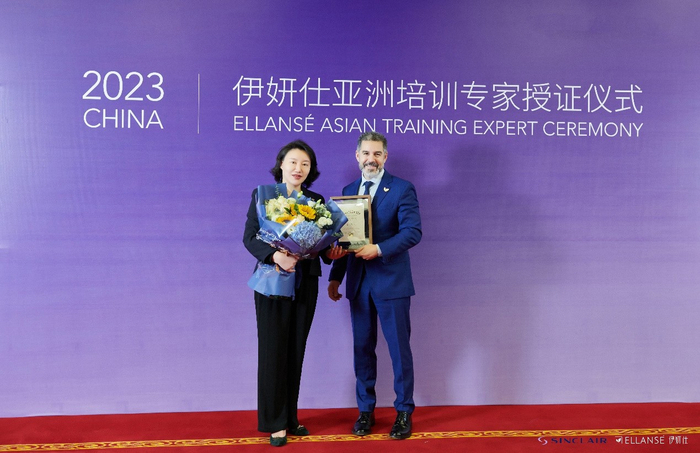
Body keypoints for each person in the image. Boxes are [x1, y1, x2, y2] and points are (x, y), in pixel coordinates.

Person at [243, 139, 345, 447]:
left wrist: (331, 254)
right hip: (273, 282)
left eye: (305, 164)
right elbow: (250, 237)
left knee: (295, 350)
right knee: (273, 351)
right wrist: (276, 255)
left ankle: (290, 417)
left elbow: (320, 245)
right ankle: (274, 423)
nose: (299, 168)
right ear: (281, 165)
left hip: (305, 283)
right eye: (293, 162)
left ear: (311, 170)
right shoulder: (264, 196)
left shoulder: (315, 201)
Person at [328, 131, 422, 440]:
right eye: (366, 153)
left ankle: (404, 412)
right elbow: (345, 238)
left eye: (377, 154)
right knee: (362, 350)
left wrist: (379, 249)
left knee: (399, 351)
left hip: (392, 282)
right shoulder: (348, 191)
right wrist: (336, 276)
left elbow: (412, 232)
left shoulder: (402, 189)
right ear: (357, 156)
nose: (372, 159)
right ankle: (365, 412)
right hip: (358, 284)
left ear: (385, 157)